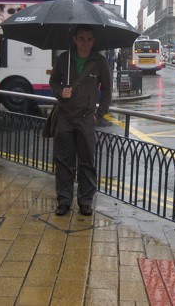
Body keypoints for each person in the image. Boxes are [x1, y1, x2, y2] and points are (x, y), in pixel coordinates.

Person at [49, 26, 113, 216]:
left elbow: (108, 90)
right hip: (65, 118)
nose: (86, 43)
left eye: (89, 39)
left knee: (87, 162)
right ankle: (64, 200)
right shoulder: (64, 59)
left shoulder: (100, 61)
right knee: (63, 161)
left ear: (93, 41)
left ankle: (85, 201)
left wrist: (99, 113)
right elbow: (54, 82)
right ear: (75, 39)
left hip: (86, 119)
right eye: (82, 39)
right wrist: (61, 91)